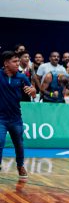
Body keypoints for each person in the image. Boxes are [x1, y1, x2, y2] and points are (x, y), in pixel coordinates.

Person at [0, 51, 36, 179]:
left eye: (18, 61)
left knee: (19, 144)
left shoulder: (22, 77)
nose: (17, 64)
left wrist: (32, 91)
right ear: (6, 63)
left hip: (16, 118)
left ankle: (20, 165)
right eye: (14, 61)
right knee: (0, 141)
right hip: (1, 118)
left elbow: (33, 92)